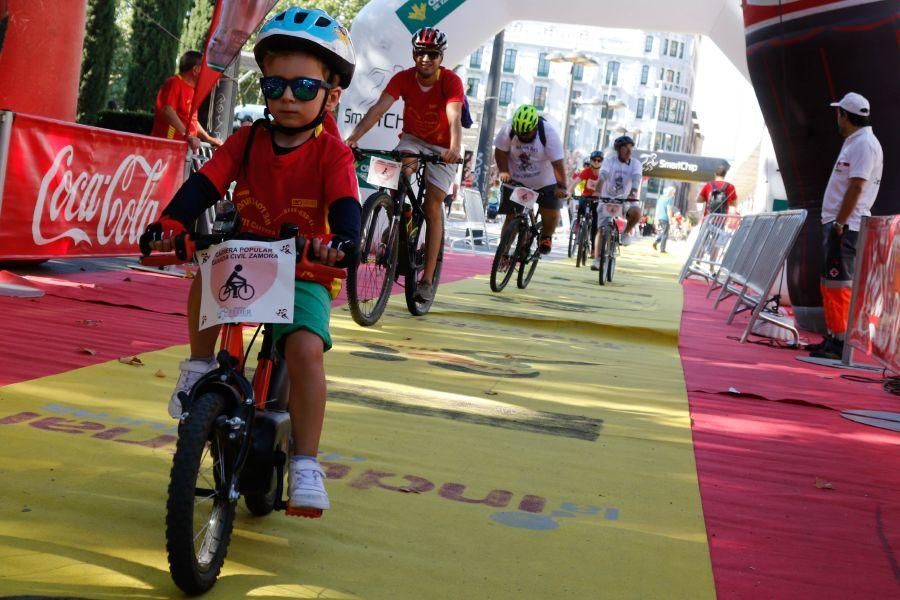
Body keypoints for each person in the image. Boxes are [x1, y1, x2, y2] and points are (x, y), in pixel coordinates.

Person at [140, 7, 360, 516]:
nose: (286, 97)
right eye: (274, 86)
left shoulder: (333, 154)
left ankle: (306, 461)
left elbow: (346, 205)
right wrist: (171, 223)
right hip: (248, 256)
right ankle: (198, 367)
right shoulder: (247, 140)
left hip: (306, 267)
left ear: (332, 94)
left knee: (305, 349)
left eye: (304, 88)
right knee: (207, 263)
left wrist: (343, 242)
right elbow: (207, 181)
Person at [345, 27, 463, 303]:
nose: (425, 59)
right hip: (413, 139)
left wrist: (454, 149)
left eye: (432, 54)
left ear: (441, 57)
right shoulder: (403, 78)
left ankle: (428, 278)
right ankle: (400, 212)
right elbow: (378, 109)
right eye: (420, 53)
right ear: (413, 53)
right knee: (401, 170)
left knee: (433, 205)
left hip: (443, 147)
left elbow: (454, 116)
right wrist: (353, 138)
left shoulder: (451, 81)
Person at [807, 92, 883, 360]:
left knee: (840, 284)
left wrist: (840, 222)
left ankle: (840, 343)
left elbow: (856, 187)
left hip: (846, 226)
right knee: (831, 283)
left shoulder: (863, 145)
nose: (836, 119)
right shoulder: (856, 142)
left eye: (838, 113)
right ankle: (833, 338)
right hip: (840, 223)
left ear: (845, 116)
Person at [493, 104, 568, 253]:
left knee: (551, 213)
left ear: (534, 127)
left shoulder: (548, 134)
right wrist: (503, 171)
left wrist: (561, 186)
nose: (523, 137)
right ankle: (503, 253)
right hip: (518, 180)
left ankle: (546, 236)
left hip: (546, 180)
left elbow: (558, 164)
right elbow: (500, 151)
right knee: (512, 217)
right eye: (520, 134)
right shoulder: (509, 129)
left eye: (526, 134)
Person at [151, 51, 223, 149]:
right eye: (205, 69)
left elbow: (191, 121)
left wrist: (208, 139)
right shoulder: (174, 82)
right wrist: (188, 135)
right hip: (168, 146)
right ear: (196, 70)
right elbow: (167, 110)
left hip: (182, 148)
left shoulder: (191, 90)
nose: (207, 73)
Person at [592, 135, 643, 267]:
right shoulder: (609, 161)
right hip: (606, 198)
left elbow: (636, 179)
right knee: (601, 229)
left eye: (631, 148)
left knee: (637, 212)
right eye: (625, 148)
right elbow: (602, 176)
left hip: (625, 199)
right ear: (618, 149)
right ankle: (597, 259)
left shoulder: (636, 164)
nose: (629, 151)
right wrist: (597, 190)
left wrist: (633, 192)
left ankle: (626, 233)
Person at [568, 150, 604, 265]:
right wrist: (569, 191)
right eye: (594, 160)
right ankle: (579, 223)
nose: (597, 162)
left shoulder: (604, 173)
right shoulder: (586, 171)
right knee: (581, 205)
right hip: (586, 197)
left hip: (598, 199)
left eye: (599, 160)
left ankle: (594, 249)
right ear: (591, 161)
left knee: (595, 224)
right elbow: (576, 181)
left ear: (602, 161)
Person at [653, 186, 676, 253]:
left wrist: (656, 217)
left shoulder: (661, 198)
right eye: (673, 192)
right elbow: (669, 210)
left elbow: (657, 208)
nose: (674, 194)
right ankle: (662, 249)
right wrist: (670, 219)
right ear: (671, 192)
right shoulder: (669, 199)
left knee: (663, 232)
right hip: (665, 218)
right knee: (665, 234)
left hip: (660, 217)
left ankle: (656, 242)